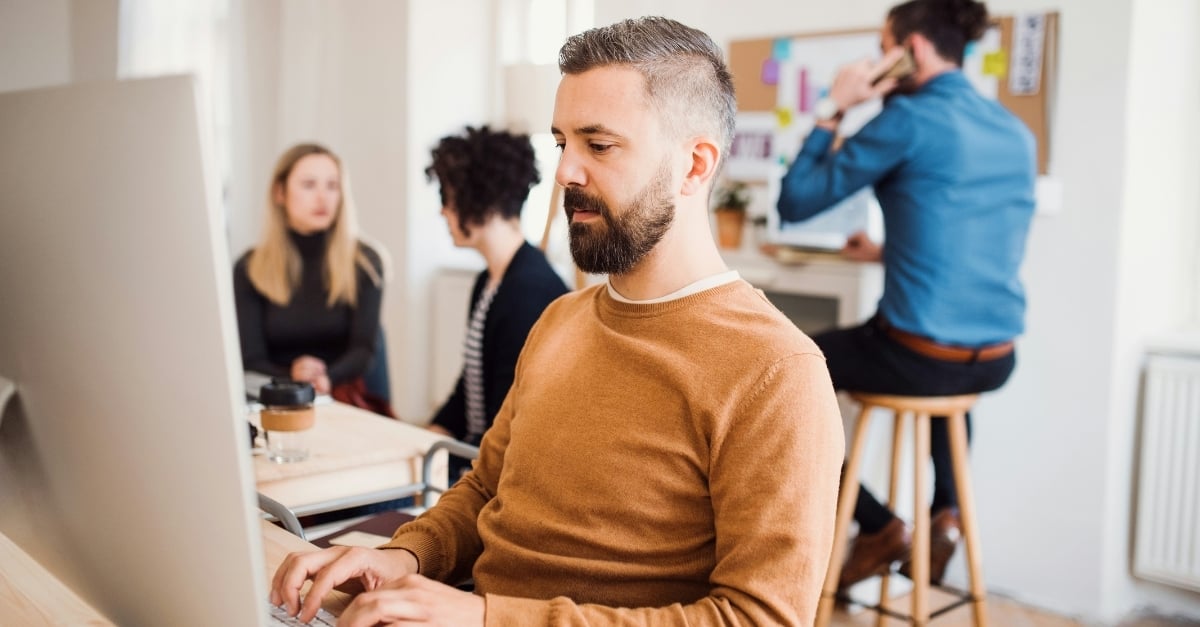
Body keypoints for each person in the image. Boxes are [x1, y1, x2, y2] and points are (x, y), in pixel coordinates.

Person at [271, 16, 844, 626]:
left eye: (598, 145)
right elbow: (487, 491)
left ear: (695, 165)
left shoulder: (776, 373)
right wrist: (407, 555)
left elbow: (759, 619)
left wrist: (487, 618)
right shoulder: (560, 321)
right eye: (561, 143)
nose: (566, 174)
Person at [775, 0, 1036, 591]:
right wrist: (887, 253)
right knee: (947, 373)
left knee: (777, 372)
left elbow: (797, 201)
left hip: (917, 357)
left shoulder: (910, 120)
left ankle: (879, 526)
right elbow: (973, 242)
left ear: (910, 50)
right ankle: (945, 515)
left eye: (883, 45)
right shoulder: (1013, 131)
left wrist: (834, 107)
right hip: (996, 359)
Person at [423, 125, 569, 478]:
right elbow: (471, 384)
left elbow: (508, 428)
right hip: (476, 456)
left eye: (447, 196)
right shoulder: (490, 281)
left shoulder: (528, 292)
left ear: (479, 200)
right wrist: (431, 433)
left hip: (501, 474)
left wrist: (441, 461)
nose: (443, 211)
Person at [233, 143, 391, 415]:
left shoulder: (365, 262)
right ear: (279, 193)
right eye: (309, 185)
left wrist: (325, 377)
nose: (323, 197)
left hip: (343, 397)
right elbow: (250, 358)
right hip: (275, 399)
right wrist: (292, 374)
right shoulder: (250, 267)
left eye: (332, 186)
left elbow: (363, 350)